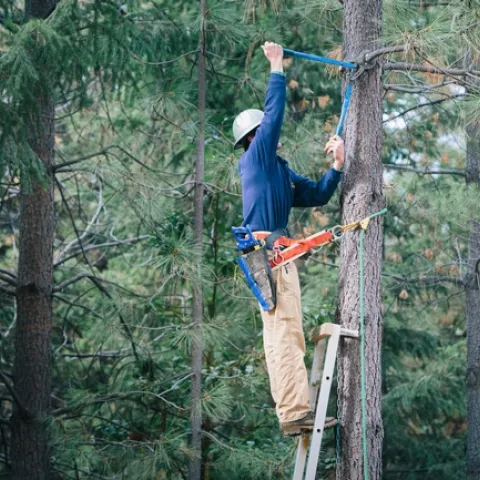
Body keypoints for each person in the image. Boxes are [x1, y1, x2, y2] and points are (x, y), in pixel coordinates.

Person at [232, 42, 345, 436]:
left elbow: (315, 194)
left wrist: (337, 166)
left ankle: (295, 410)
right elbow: (275, 115)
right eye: (264, 129)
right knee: (283, 337)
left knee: (289, 333)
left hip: (279, 255)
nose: (272, 132)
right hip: (269, 256)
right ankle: (295, 413)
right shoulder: (256, 159)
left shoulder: (278, 171)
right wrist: (276, 67)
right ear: (254, 137)